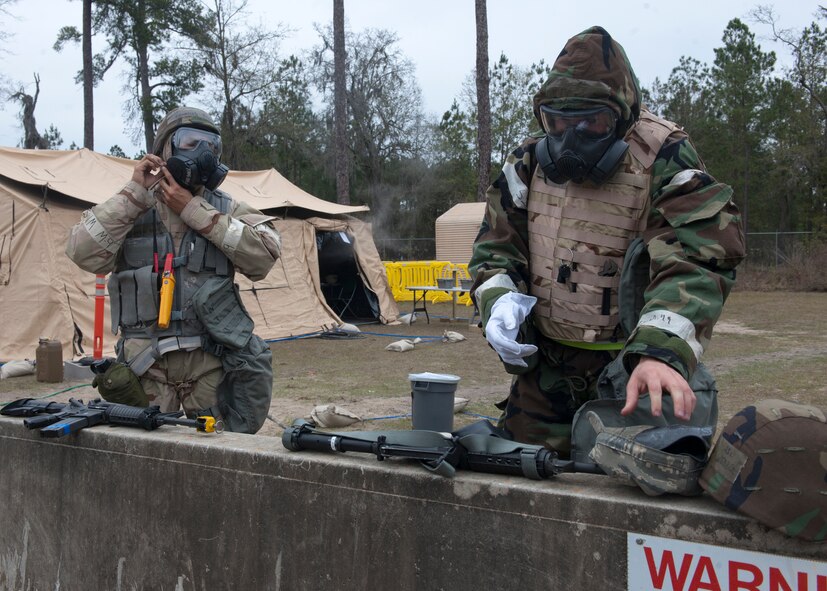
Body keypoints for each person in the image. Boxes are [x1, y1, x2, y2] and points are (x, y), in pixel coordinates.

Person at [469, 27, 746, 457]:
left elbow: (698, 256)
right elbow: (495, 246)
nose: (570, 138)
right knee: (523, 492)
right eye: (558, 122)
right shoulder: (526, 163)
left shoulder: (664, 157)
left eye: (590, 122)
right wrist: (499, 301)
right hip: (544, 376)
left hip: (631, 373)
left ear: (622, 115)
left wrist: (659, 352)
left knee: (621, 501)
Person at [66, 106, 282, 433]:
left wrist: (196, 211)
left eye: (211, 146)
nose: (202, 153)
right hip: (144, 368)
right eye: (189, 141)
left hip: (211, 365)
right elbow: (82, 252)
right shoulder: (131, 206)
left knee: (220, 459)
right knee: (140, 461)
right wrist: (134, 195)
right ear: (164, 150)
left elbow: (265, 254)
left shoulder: (226, 207)